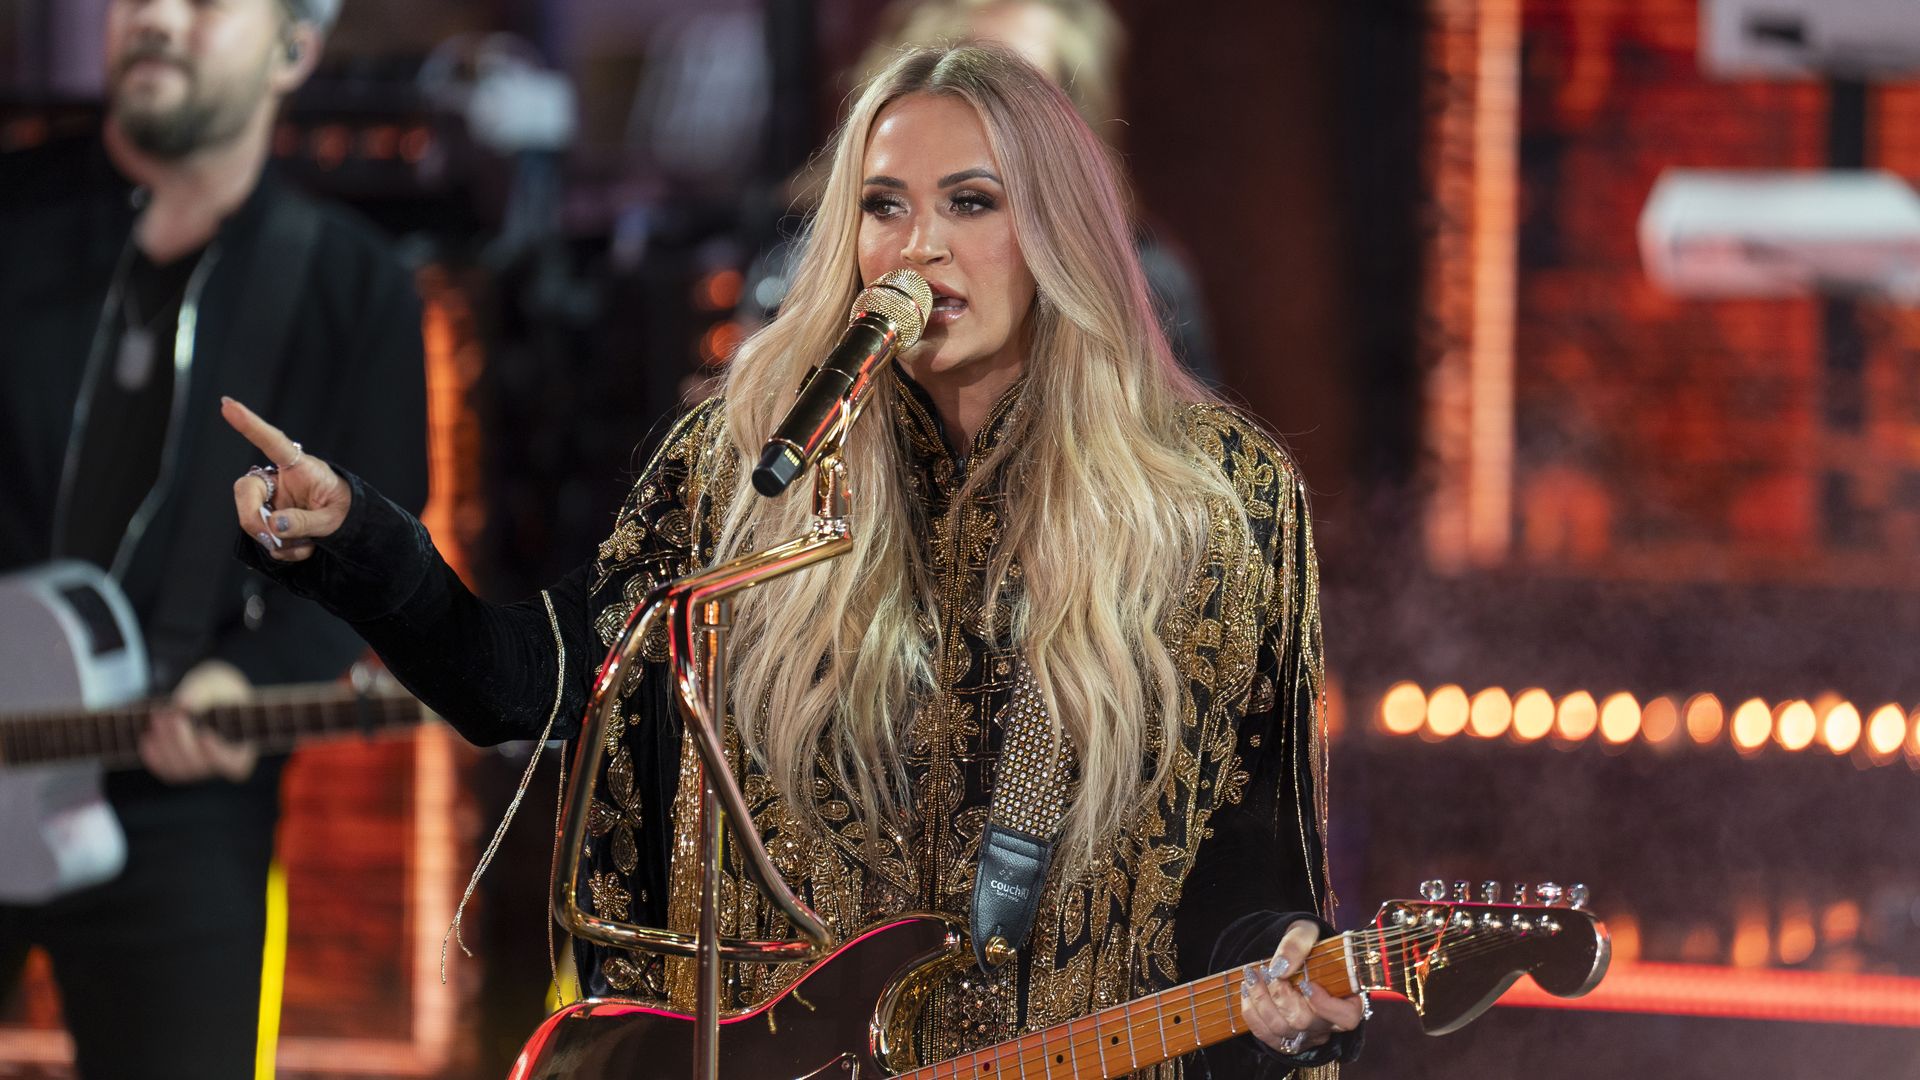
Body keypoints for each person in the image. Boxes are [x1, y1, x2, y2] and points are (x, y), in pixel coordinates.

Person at [227, 45, 1358, 1076]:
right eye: (883, 208)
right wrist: (356, 543)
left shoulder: (1215, 499)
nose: (920, 246)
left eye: (972, 203)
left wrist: (1290, 974)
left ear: (1055, 228)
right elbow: (519, 679)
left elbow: (1256, 878)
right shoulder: (746, 459)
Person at [0, 0, 428, 1075]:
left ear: (294, 48)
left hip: (179, 802)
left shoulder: (351, 284)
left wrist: (255, 679)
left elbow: (372, 563)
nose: (153, 15)